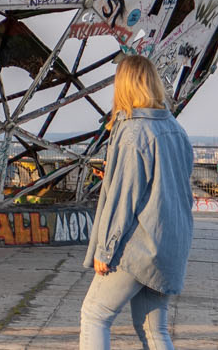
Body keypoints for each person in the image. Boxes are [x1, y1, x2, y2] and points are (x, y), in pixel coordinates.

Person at [80, 54, 193, 350]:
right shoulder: (176, 130)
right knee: (154, 330)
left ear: (124, 85)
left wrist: (105, 249)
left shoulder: (133, 132)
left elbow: (124, 197)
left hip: (137, 247)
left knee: (95, 315)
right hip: (169, 245)